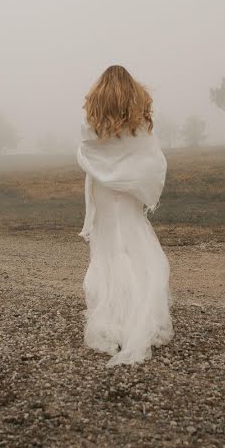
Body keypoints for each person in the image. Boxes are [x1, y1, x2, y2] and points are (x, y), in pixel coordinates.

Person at [77, 65, 173, 366]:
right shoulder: (139, 126)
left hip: (105, 194)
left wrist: (108, 171)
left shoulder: (93, 125)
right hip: (129, 193)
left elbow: (86, 154)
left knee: (110, 249)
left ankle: (117, 320)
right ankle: (137, 316)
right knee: (133, 246)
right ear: (133, 92)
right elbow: (152, 161)